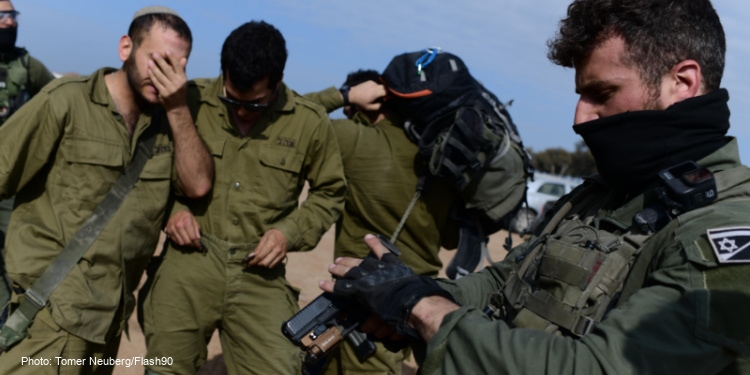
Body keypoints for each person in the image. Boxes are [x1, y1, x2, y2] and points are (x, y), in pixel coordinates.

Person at [321, 0, 750, 373]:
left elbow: (601, 367)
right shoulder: (601, 194)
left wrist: (424, 308)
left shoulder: (724, 226)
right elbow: (502, 285)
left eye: (602, 93)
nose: (580, 119)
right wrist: (406, 296)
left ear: (683, 83)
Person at [0, 5, 213, 374]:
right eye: (156, 61)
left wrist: (178, 108)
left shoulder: (170, 126)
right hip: (45, 323)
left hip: (107, 328)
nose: (164, 76)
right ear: (125, 48)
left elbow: (197, 185)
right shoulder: (67, 101)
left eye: (177, 67)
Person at [141, 21, 346, 375]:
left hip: (259, 276)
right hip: (188, 263)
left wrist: (288, 233)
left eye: (253, 104)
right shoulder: (187, 101)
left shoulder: (308, 121)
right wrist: (172, 211)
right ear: (224, 73)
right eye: (231, 99)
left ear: (277, 82)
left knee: (281, 367)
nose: (240, 111)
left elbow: (330, 192)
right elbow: (148, 171)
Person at [305, 71, 460, 374]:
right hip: (414, 304)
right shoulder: (442, 159)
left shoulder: (356, 140)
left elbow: (291, 115)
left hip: (362, 305)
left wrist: (343, 96)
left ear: (372, 101)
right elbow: (452, 239)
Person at [0, 0, 56, 250]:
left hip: (8, 176)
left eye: (13, 15)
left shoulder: (27, 66)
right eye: (2, 16)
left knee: (8, 249)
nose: (10, 22)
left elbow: (58, 100)